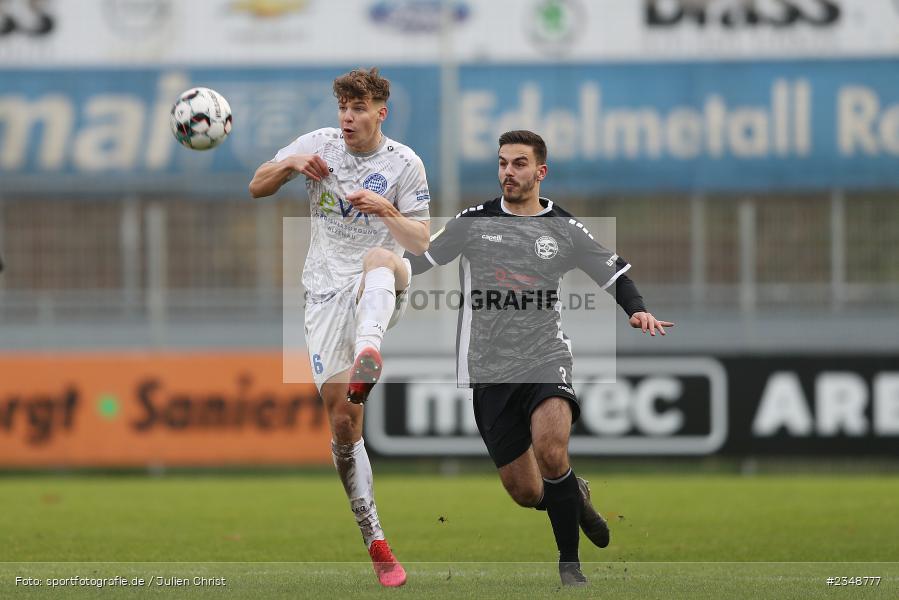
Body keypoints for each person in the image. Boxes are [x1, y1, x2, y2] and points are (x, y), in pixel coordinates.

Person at [402, 130, 673, 587]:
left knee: (551, 451)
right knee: (527, 492)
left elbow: (615, 272)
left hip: (546, 357)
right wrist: (380, 276)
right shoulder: (472, 221)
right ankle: (575, 496)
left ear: (540, 172)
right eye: (503, 163)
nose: (509, 171)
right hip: (488, 370)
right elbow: (422, 260)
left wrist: (638, 309)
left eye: (520, 163)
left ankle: (570, 565)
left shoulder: (563, 229)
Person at [248, 67, 431, 588]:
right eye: (343, 108)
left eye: (358, 109)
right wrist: (288, 165)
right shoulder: (318, 143)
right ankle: (375, 539)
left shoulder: (404, 163)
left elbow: (419, 242)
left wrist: (386, 208)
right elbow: (256, 186)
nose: (348, 118)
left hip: (380, 283)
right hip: (324, 295)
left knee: (381, 255)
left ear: (381, 113)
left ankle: (370, 353)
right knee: (345, 424)